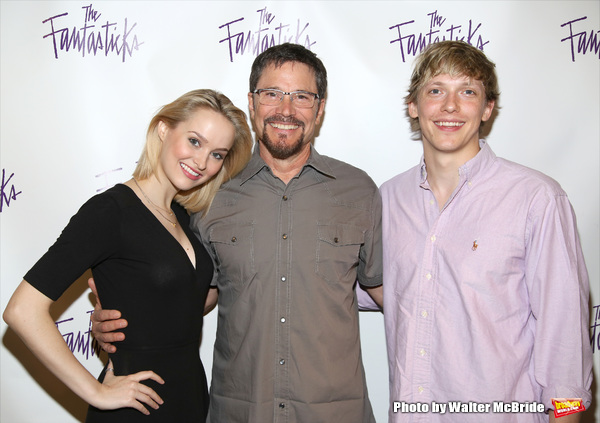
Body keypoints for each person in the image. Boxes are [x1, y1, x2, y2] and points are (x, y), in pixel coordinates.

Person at [91, 43, 384, 423]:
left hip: (335, 412)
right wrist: (125, 320)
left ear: (321, 107)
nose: (286, 109)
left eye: (302, 96)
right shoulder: (208, 194)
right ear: (251, 101)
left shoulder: (358, 190)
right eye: (272, 94)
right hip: (239, 412)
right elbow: (194, 296)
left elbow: (386, 291)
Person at [3, 89, 253, 422]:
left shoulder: (185, 217)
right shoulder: (110, 213)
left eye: (217, 154)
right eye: (195, 141)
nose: (202, 162)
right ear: (164, 130)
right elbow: (22, 310)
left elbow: (188, 300)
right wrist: (96, 392)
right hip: (134, 407)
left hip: (189, 398)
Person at [376, 40, 593, 422]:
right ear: (413, 105)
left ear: (487, 109)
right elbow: (364, 283)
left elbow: (566, 351)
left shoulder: (536, 199)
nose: (450, 106)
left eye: (468, 92)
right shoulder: (386, 200)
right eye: (436, 90)